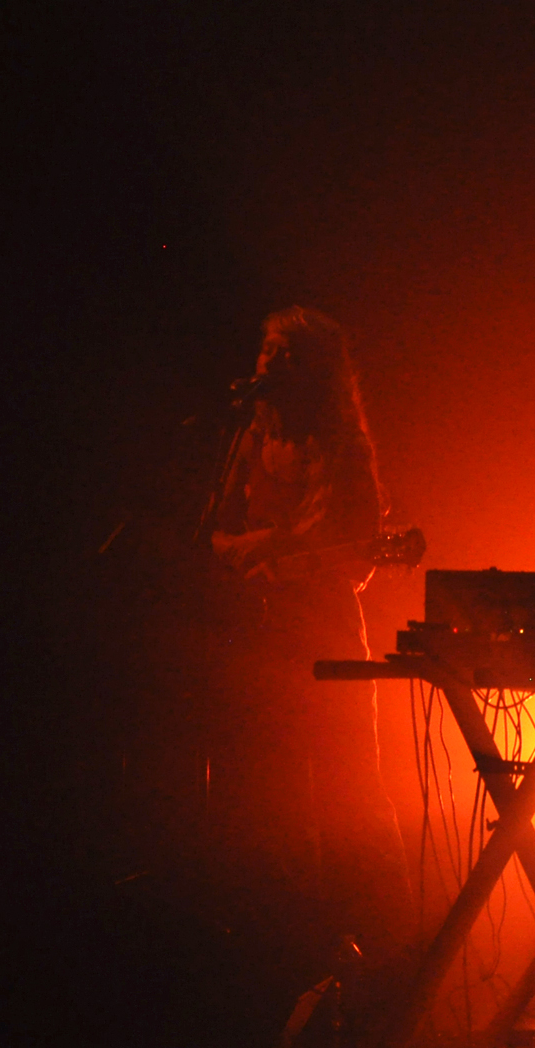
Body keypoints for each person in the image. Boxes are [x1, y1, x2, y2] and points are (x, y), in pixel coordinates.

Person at [205, 305, 410, 966]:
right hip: (257, 632)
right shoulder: (248, 434)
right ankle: (283, 936)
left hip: (321, 630)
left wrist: (266, 545)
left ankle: (386, 939)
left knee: (347, 783)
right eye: (268, 349)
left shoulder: (343, 447)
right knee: (269, 785)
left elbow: (344, 549)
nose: (272, 363)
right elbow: (217, 529)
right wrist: (247, 548)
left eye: (289, 354)